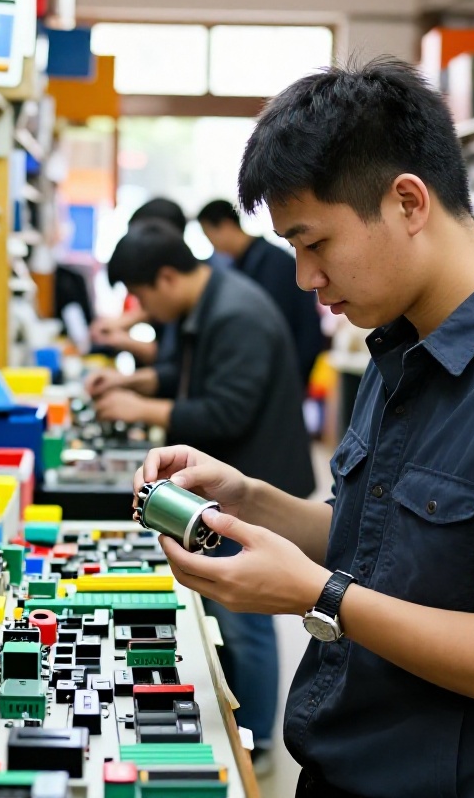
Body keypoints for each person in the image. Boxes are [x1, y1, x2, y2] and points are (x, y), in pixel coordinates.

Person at [136, 58, 474, 798]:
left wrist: (318, 597)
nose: (304, 278)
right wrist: (247, 498)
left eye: (315, 243)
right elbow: (377, 542)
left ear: (408, 202)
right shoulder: (402, 347)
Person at [87, 220, 314, 769]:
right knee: (228, 608)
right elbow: (187, 378)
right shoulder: (208, 303)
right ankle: (242, 714)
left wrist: (141, 409)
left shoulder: (236, 314)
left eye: (141, 295)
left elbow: (226, 410)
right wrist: (135, 384)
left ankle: (256, 740)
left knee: (247, 617)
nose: (140, 307)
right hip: (230, 479)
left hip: (254, 481)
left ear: (167, 277)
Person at [197, 199, 325, 381]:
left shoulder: (273, 263)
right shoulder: (243, 264)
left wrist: (292, 378)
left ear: (225, 226)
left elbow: (289, 327)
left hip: (283, 375)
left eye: (208, 235)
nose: (212, 244)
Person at [89, 197, 191, 365]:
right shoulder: (181, 282)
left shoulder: (187, 295)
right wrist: (122, 322)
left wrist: (122, 340)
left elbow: (173, 365)